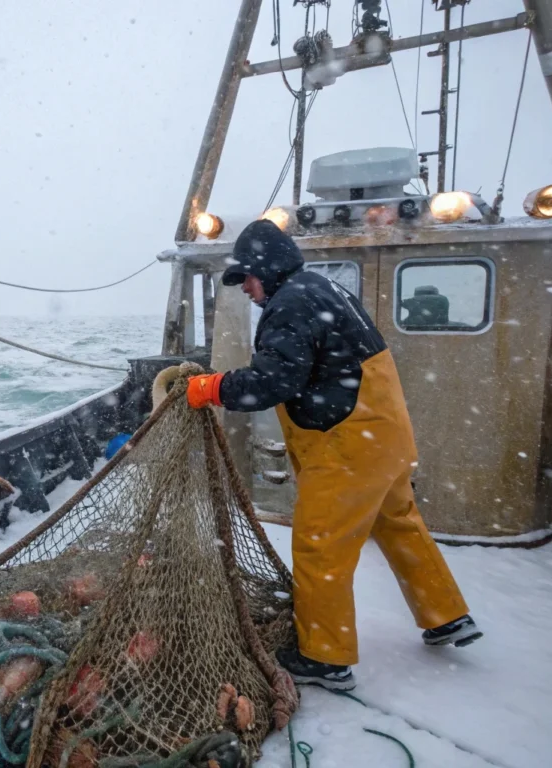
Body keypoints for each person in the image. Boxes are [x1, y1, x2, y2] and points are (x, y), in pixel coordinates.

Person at [186, 220, 480, 691]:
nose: (245, 289)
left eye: (247, 278)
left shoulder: (290, 304)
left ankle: (325, 658)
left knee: (319, 546)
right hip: (384, 440)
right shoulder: (321, 289)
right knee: (400, 525)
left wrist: (212, 386)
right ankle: (446, 615)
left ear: (266, 268)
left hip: (348, 446)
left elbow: (274, 382)